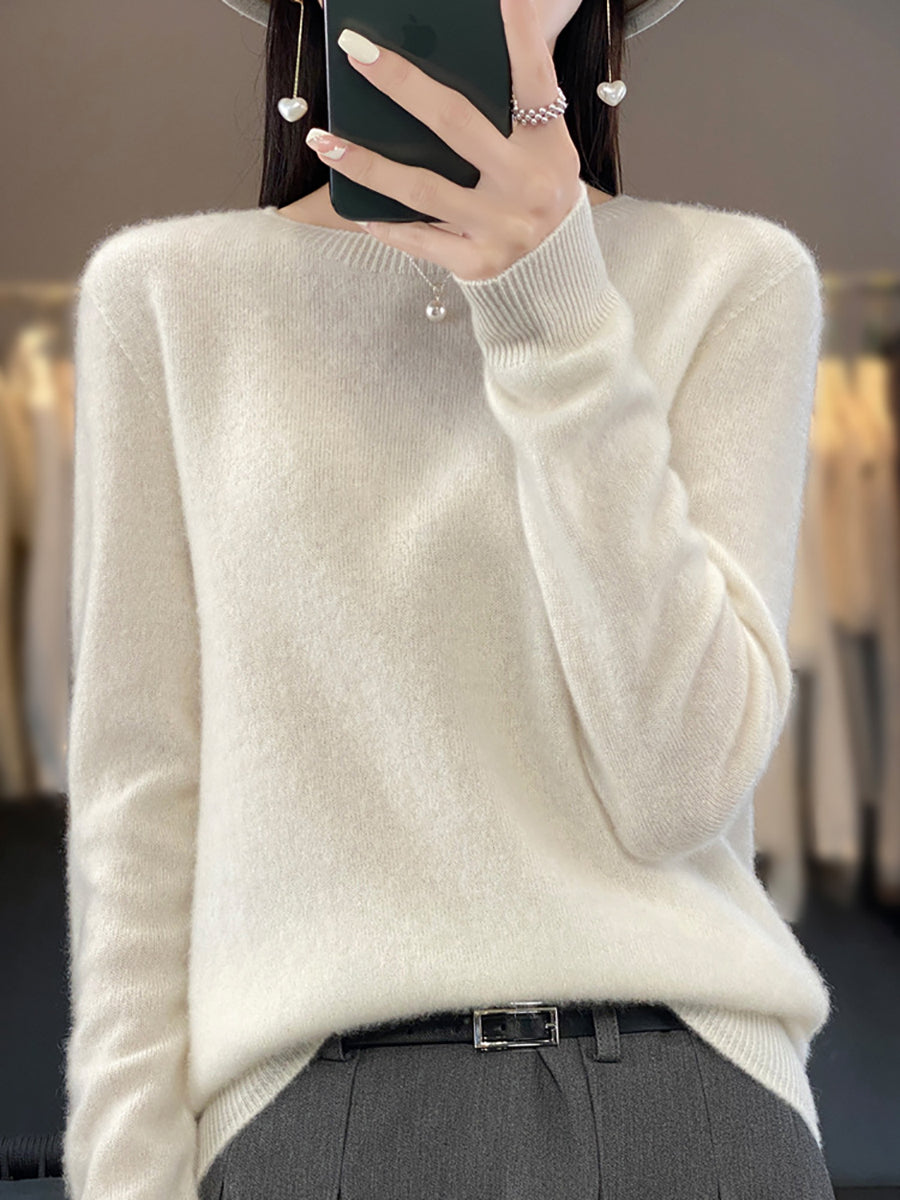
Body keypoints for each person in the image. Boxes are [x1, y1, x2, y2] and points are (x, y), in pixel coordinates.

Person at [62, 0, 838, 1196]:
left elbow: (679, 786)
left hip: (688, 1102)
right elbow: (140, 789)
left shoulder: (734, 279)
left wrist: (554, 304)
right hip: (310, 1112)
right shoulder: (167, 296)